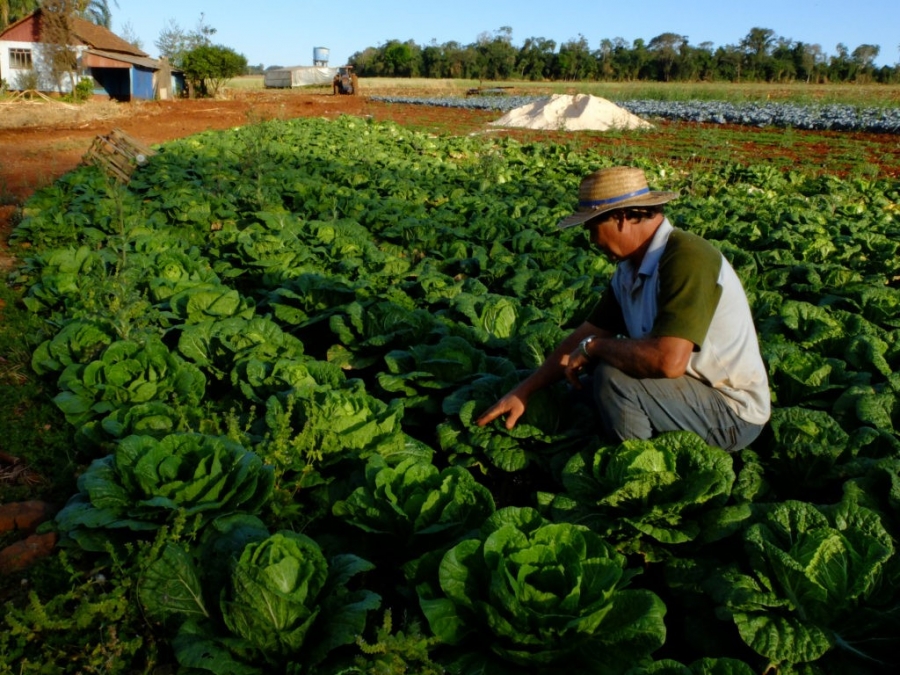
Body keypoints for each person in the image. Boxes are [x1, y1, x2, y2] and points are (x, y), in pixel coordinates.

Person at [475, 166, 770, 452]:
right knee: (576, 391)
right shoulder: (629, 268)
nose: (591, 240)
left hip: (730, 413)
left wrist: (596, 349)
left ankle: (639, 479)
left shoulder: (687, 258)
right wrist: (524, 390)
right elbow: (585, 334)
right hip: (682, 396)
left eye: (593, 228)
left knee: (613, 380)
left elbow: (668, 362)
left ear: (621, 218)